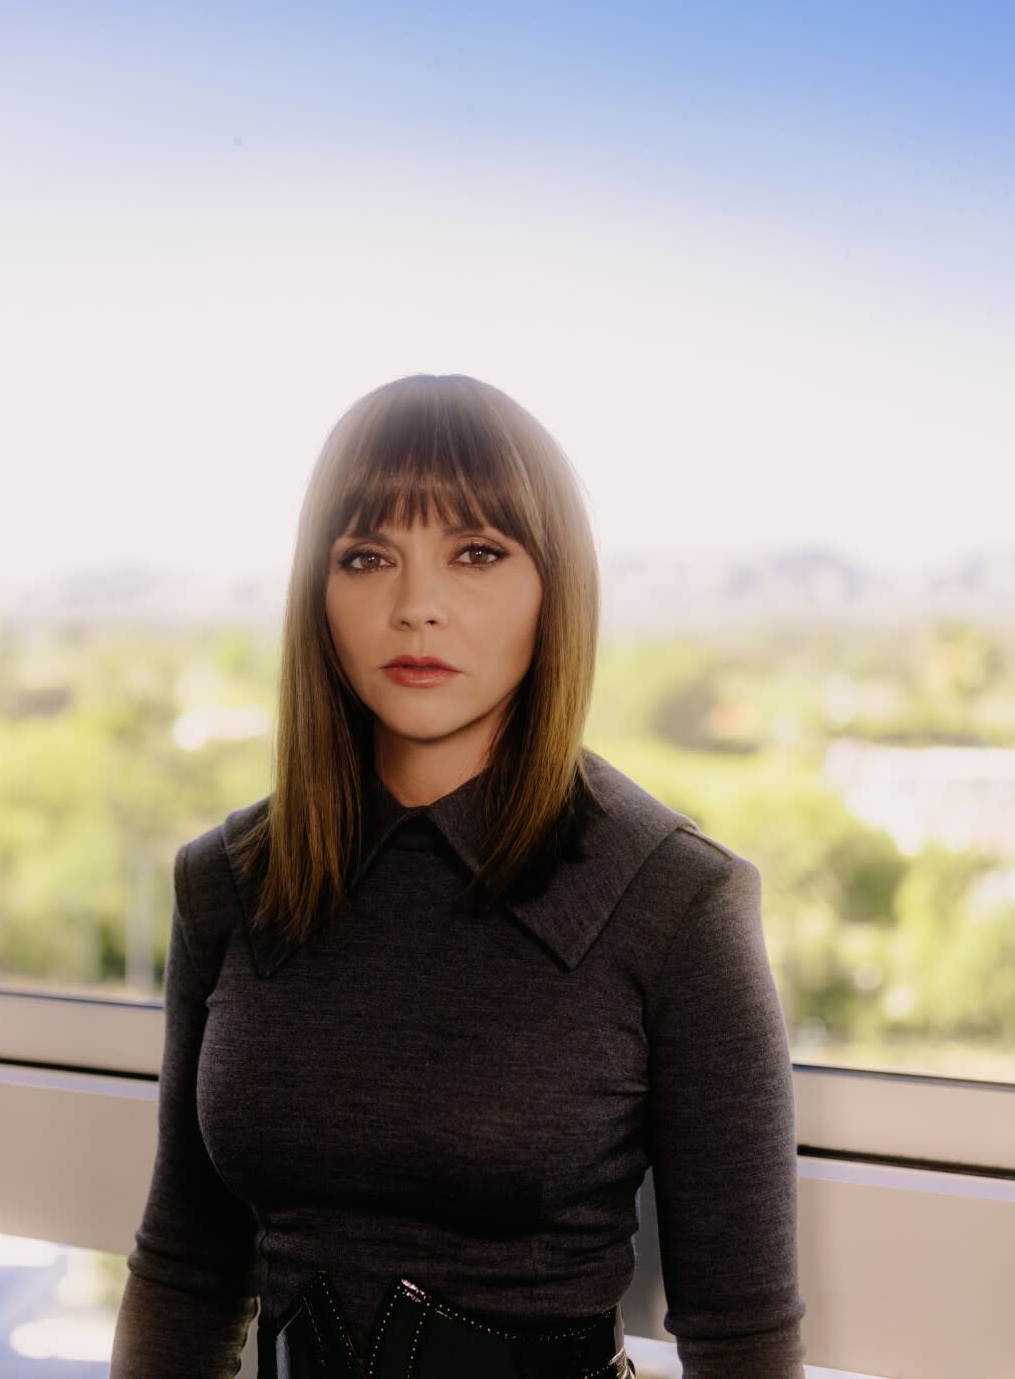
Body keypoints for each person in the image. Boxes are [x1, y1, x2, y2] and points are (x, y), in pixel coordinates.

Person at [109, 372, 807, 1378]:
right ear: (319, 591)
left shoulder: (677, 903)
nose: (416, 607)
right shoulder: (225, 883)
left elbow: (741, 1337)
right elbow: (184, 1272)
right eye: (366, 556)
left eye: (476, 553)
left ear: (553, 588)